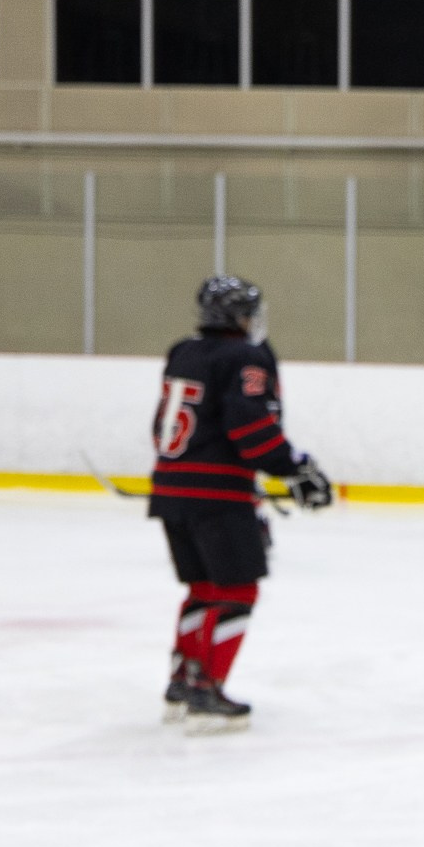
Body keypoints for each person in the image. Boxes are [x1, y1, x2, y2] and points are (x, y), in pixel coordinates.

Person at [148, 275, 334, 733]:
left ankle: (182, 681)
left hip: (171, 490)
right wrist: (294, 468)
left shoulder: (184, 351)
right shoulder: (245, 358)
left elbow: (170, 424)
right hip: (218, 495)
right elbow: (249, 428)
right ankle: (207, 689)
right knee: (236, 591)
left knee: (203, 588)